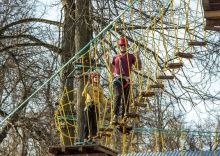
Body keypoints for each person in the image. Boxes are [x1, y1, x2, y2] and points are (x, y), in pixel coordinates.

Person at [105, 37, 142, 125]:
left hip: (127, 80)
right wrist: (107, 61)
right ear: (118, 46)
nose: (122, 47)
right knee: (118, 95)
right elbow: (112, 69)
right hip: (117, 79)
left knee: (126, 99)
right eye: (121, 45)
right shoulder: (115, 57)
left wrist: (138, 58)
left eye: (124, 45)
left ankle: (124, 119)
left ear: (127, 46)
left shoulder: (131, 56)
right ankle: (115, 115)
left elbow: (139, 67)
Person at [82, 71, 109, 144]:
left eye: (98, 78)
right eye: (95, 78)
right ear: (92, 78)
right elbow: (83, 94)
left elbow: (102, 100)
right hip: (88, 106)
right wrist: (86, 86)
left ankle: (93, 139)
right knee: (87, 123)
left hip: (96, 107)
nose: (97, 79)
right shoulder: (89, 87)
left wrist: (108, 103)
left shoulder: (100, 89)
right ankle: (85, 139)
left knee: (94, 124)